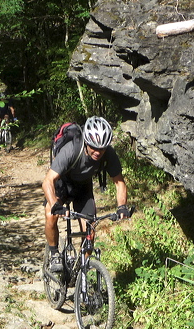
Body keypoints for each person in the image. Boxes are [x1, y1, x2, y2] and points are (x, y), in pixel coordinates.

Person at [42, 116, 131, 272]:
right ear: (86, 142)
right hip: (61, 184)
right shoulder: (71, 150)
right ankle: (54, 253)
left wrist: (122, 206)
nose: (98, 152)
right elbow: (48, 181)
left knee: (90, 229)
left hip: (83, 187)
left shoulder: (108, 154)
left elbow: (119, 182)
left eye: (102, 148)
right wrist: (55, 205)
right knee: (51, 215)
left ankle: (82, 272)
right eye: (94, 147)